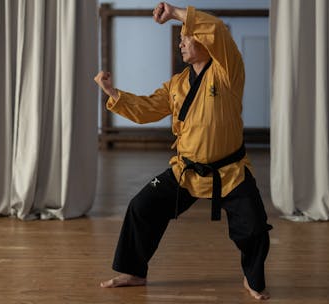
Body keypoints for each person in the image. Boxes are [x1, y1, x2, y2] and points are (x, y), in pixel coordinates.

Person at [94, 2, 272, 300]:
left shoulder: (227, 72)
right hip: (186, 170)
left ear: (206, 42)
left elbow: (216, 29)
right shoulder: (177, 84)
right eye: (180, 39)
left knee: (253, 227)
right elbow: (148, 108)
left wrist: (176, 12)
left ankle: (252, 278)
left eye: (188, 38)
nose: (182, 43)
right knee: (142, 207)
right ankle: (134, 271)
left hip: (229, 172)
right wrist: (113, 94)